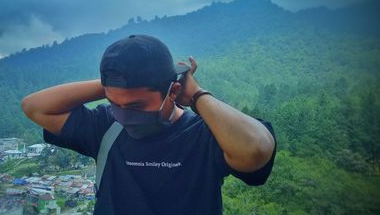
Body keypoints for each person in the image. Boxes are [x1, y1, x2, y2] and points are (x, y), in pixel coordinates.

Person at [21, 34, 276, 215]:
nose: (124, 114)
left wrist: (197, 95)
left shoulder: (206, 134)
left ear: (173, 92)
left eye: (137, 106)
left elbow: (256, 150)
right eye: (115, 103)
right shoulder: (105, 126)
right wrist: (114, 83)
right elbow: (35, 107)